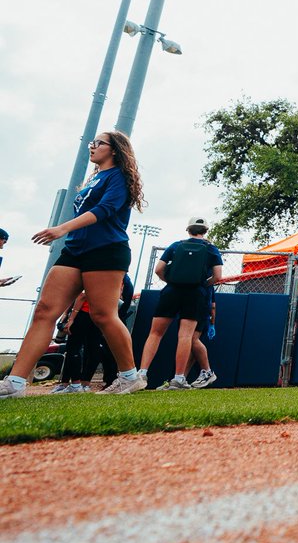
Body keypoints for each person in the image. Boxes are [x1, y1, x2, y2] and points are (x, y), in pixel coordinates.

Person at [1, 132, 147, 398]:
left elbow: (105, 209)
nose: (92, 147)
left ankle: (129, 376)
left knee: (103, 315)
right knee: (44, 311)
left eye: (98, 143)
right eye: (92, 143)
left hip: (106, 250)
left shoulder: (118, 176)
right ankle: (15, 382)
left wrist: (62, 228)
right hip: (75, 249)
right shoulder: (94, 179)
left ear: (114, 149)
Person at [138, 217, 224, 390]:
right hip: (195, 293)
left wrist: (170, 281)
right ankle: (178, 379)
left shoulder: (176, 245)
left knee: (155, 333)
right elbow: (218, 276)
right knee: (185, 336)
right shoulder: (211, 248)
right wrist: (202, 284)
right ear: (205, 231)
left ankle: (142, 373)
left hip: (171, 292)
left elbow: (158, 269)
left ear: (188, 229)